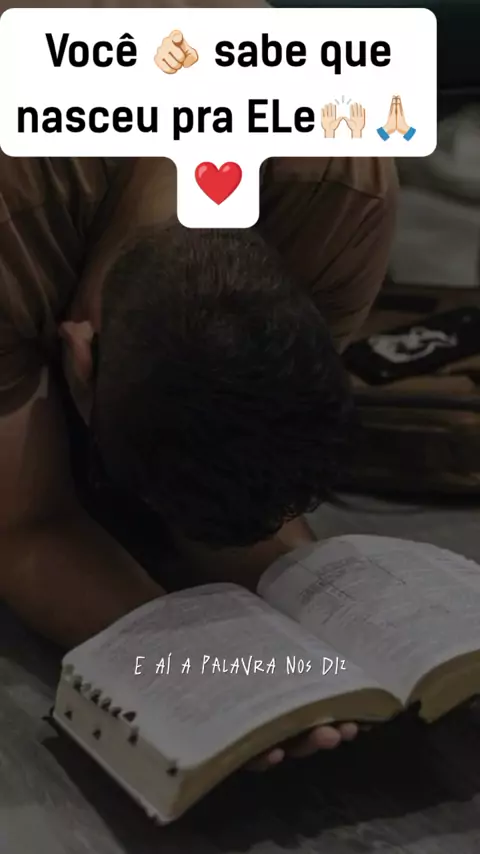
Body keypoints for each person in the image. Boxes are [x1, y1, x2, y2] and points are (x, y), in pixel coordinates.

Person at [0, 0, 397, 776]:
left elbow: (249, 456)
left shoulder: (344, 175)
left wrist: (329, 645)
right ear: (79, 359)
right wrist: (208, 676)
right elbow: (27, 523)